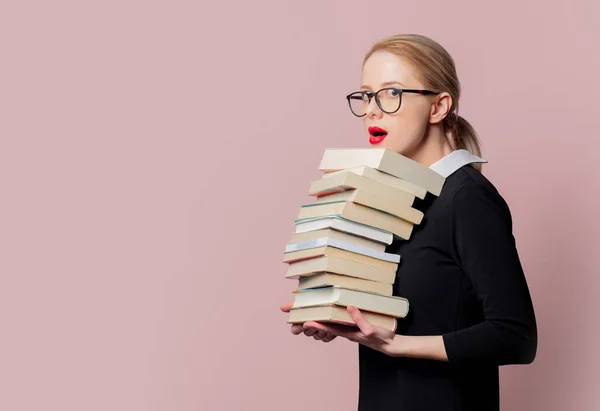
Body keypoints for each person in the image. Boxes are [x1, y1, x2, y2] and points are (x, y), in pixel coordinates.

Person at [280, 33, 538, 411]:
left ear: (438, 107)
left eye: (391, 93)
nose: (372, 109)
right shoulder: (395, 198)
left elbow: (515, 336)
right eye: (366, 95)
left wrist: (397, 345)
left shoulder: (467, 198)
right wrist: (343, 318)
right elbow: (415, 311)